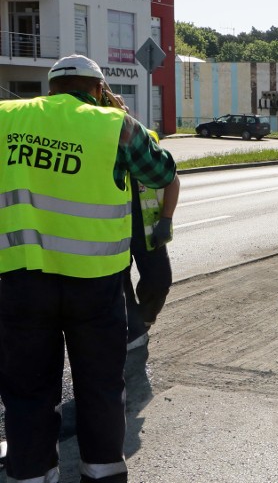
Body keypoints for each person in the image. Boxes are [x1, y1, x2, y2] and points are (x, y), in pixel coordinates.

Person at [0, 54, 178, 482]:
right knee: (99, 386)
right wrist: (120, 116)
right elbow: (161, 173)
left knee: (27, 391)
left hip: (21, 280)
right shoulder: (114, 125)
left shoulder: (6, 116)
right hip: (94, 286)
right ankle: (102, 472)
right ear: (98, 88)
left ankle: (30, 474)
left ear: (50, 89)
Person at [124, 130, 180, 351]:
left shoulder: (144, 137)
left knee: (160, 281)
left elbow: (172, 180)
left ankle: (143, 320)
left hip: (148, 230)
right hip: (113, 230)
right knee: (118, 286)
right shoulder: (96, 139)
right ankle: (131, 330)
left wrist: (166, 219)